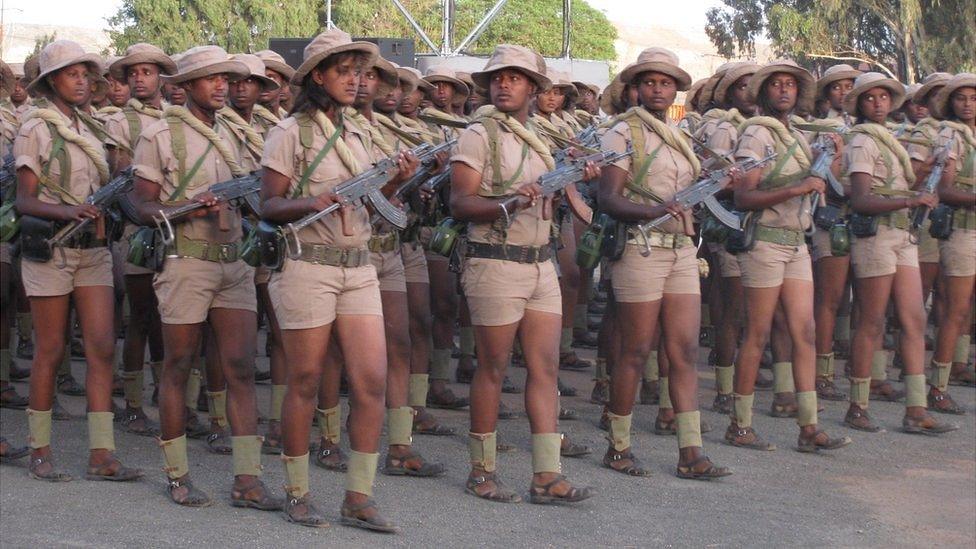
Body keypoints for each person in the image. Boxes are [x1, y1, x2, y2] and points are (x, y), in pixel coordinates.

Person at [261, 29, 415, 531]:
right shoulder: (291, 132)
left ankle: (359, 496)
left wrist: (394, 180)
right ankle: (297, 491)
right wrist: (314, 201)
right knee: (304, 381)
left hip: (358, 267)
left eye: (359, 72)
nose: (355, 81)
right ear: (318, 78)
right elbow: (269, 205)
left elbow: (376, 202)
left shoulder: (361, 133)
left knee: (371, 380)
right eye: (344, 72)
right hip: (308, 265)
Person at [131, 45, 280, 509]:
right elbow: (142, 206)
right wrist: (192, 205)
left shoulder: (240, 132)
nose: (223, 86)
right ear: (187, 86)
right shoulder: (160, 134)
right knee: (177, 367)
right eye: (212, 78)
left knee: (238, 368)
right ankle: (177, 474)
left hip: (234, 261)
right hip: (187, 261)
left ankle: (248, 480)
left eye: (227, 79)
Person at [451, 43, 596, 503]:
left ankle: (547, 475)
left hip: (539, 264)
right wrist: (512, 201)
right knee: (492, 368)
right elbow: (460, 203)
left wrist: (579, 178)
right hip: (495, 261)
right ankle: (482, 470)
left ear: (535, 88)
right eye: (498, 77)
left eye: (515, 77)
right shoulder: (479, 134)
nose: (504, 84)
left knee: (545, 369)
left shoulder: (541, 138)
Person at [597, 47, 730, 479]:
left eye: (666, 83)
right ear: (635, 89)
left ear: (675, 90)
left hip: (680, 250)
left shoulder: (683, 137)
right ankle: (618, 446)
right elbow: (610, 198)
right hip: (642, 248)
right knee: (635, 351)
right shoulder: (622, 133)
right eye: (650, 82)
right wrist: (655, 211)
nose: (658, 89)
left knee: (684, 352)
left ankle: (690, 451)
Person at [14, 40, 142, 481]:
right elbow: (25, 200)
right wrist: (68, 210)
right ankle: (39, 449)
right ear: (52, 81)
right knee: (49, 350)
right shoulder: (36, 127)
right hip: (52, 249)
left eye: (87, 74)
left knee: (102, 348)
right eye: (73, 74)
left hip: (93, 250)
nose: (84, 81)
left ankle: (102, 453)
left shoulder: (92, 127)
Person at [728, 59, 851, 452]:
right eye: (777, 85)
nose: (785, 91)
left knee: (806, 332)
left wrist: (830, 161)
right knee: (758, 334)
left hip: (797, 241)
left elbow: (818, 182)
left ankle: (809, 426)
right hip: (764, 240)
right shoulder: (756, 135)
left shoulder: (798, 135)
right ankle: (740, 424)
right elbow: (744, 196)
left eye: (791, 85)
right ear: (764, 93)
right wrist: (797, 189)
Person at [840, 72, 957, 434]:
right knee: (872, 322)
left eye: (884, 97)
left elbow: (900, 183)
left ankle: (916, 408)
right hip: (875, 236)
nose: (878, 103)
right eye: (869, 98)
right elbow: (860, 199)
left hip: (901, 234)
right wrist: (911, 198)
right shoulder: (860, 141)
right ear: (859, 104)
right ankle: (857, 405)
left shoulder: (891, 138)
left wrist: (928, 172)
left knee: (914, 320)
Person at [104, 43, 178, 437]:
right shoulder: (119, 121)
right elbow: (119, 180)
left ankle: (169, 400)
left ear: (161, 77)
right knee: (140, 318)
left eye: (147, 72)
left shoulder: (176, 119)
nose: (140, 78)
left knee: (172, 322)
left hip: (176, 227)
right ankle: (133, 404)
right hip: (138, 230)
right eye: (133, 73)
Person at [928, 73, 976, 401]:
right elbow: (944, 189)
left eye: (974, 98)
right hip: (961, 229)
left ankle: (959, 364)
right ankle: (938, 386)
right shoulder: (950, 134)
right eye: (961, 98)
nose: (968, 105)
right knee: (955, 310)